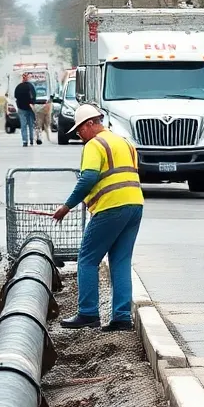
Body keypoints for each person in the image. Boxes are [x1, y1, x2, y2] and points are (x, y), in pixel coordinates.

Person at [52, 104, 144, 331]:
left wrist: (67, 206)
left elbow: (88, 178)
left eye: (79, 130)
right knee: (121, 261)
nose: (79, 135)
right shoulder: (125, 142)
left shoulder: (95, 144)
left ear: (91, 123)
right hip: (134, 205)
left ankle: (88, 313)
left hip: (111, 207)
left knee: (87, 259)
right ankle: (122, 318)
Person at [14, 74, 38, 147]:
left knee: (23, 125)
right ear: (27, 79)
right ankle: (31, 140)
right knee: (31, 125)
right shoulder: (31, 86)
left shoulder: (18, 87)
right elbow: (34, 96)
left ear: (22, 79)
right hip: (30, 108)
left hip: (21, 108)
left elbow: (15, 96)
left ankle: (25, 141)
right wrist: (32, 103)